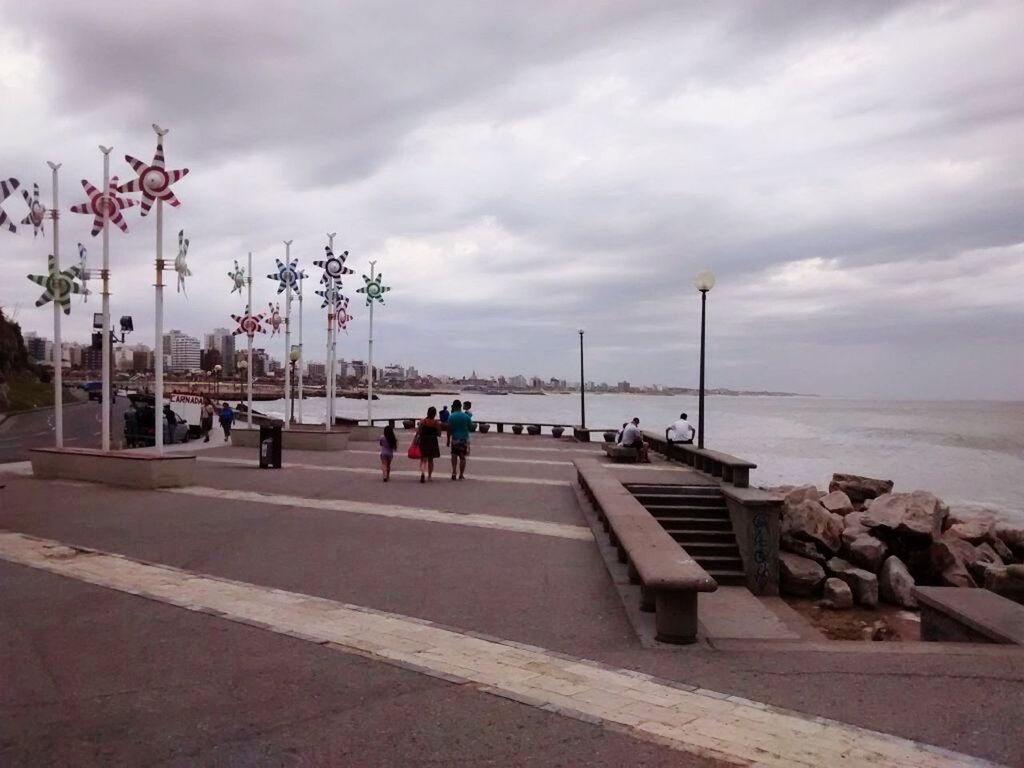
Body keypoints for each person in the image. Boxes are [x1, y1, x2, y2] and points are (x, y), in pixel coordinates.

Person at [415, 406, 442, 482]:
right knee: (431, 460)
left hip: (424, 440)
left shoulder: (423, 421)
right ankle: (429, 476)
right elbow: (439, 434)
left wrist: (415, 440)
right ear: (435, 414)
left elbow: (419, 432)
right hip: (433, 441)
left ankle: (423, 473)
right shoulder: (436, 423)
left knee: (423, 459)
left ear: (427, 412)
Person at [447, 399, 472, 480]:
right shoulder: (466, 416)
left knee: (454, 455)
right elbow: (471, 427)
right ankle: (461, 474)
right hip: (464, 439)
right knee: (462, 457)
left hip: (455, 438)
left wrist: (448, 440)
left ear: (454, 406)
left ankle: (454, 472)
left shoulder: (451, 416)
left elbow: (449, 429)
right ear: (461, 406)